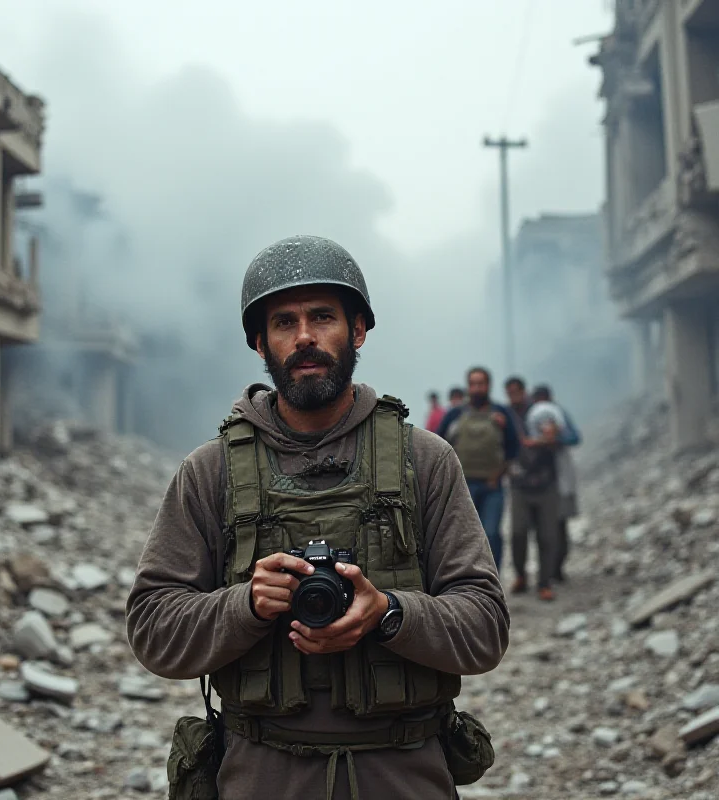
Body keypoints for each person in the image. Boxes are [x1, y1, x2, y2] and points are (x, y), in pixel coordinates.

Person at [126, 235, 509, 800]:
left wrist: (388, 612)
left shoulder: (424, 461)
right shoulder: (209, 473)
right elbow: (152, 629)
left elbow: (484, 628)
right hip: (261, 772)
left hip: (403, 771)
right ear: (259, 342)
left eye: (322, 317)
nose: (304, 337)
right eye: (283, 322)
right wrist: (248, 604)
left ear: (357, 330)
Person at [435, 367, 520, 574]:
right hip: (462, 487)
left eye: (480, 383)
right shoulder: (456, 414)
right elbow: (437, 444)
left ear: (488, 386)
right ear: (468, 386)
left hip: (493, 486)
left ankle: (493, 580)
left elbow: (514, 447)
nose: (476, 388)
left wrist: (500, 473)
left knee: (491, 534)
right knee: (461, 536)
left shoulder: (501, 413)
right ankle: (464, 581)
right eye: (473, 384)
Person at [508, 389, 564, 602]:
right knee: (518, 533)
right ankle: (521, 575)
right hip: (520, 485)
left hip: (546, 484)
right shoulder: (505, 416)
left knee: (547, 536)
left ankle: (545, 583)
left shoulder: (546, 413)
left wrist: (548, 438)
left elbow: (569, 435)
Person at [531, 385, 581, 583]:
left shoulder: (559, 416)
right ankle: (548, 567)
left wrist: (556, 438)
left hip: (560, 478)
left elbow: (575, 437)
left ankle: (557, 566)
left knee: (559, 524)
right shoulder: (532, 418)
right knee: (544, 527)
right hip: (540, 481)